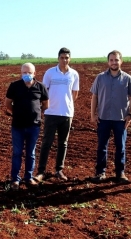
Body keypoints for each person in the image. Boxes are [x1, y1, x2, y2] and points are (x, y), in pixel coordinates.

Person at [89, 50, 131, 184]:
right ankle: (100, 173)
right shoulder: (100, 77)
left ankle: (120, 173)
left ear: (121, 61)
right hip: (103, 118)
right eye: (111, 60)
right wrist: (93, 114)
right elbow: (95, 96)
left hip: (121, 119)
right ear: (108, 62)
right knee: (102, 146)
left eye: (116, 60)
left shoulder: (127, 78)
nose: (114, 62)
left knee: (120, 147)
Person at [34, 47, 79, 183]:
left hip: (66, 113)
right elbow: (44, 92)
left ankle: (59, 170)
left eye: (67, 57)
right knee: (46, 142)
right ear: (58, 58)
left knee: (63, 143)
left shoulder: (74, 74)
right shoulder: (50, 73)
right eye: (62, 57)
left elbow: (74, 94)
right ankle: (41, 171)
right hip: (51, 113)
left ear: (70, 59)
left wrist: (65, 104)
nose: (64, 60)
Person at [5, 63, 49, 190]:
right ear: (21, 73)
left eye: (29, 73)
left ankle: (28, 177)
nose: (26, 75)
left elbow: (45, 104)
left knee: (31, 153)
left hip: (34, 126)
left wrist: (37, 112)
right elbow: (8, 103)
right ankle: (15, 179)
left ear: (34, 74)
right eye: (24, 72)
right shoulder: (14, 86)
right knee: (17, 153)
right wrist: (17, 112)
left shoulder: (40, 87)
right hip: (17, 125)